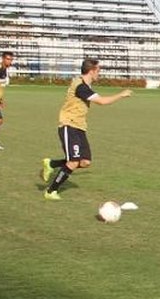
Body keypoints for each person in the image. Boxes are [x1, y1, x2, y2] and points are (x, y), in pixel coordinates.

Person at [40, 59, 133, 201]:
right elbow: (102, 102)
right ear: (92, 71)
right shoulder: (81, 87)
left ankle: (51, 164)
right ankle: (51, 191)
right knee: (73, 162)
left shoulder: (83, 84)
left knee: (85, 161)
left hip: (80, 127)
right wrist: (121, 94)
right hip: (69, 125)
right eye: (98, 70)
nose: (99, 74)